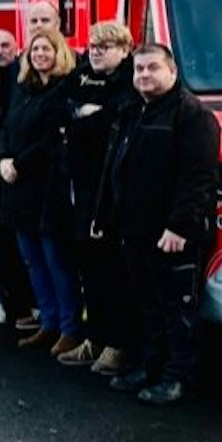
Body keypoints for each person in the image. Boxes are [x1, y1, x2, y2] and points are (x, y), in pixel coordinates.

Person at [100, 44, 221, 406]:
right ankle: (149, 366)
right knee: (147, 305)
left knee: (177, 309)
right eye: (139, 70)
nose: (144, 75)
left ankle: (177, 377)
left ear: (172, 71)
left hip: (173, 235)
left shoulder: (193, 116)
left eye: (153, 68)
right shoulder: (134, 110)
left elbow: (199, 178)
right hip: (135, 230)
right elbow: (116, 167)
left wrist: (180, 227)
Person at [56, 21, 138, 373]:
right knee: (87, 269)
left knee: (113, 272)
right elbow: (63, 113)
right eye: (92, 45)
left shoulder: (130, 81)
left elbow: (111, 119)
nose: (96, 51)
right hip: (79, 187)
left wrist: (86, 117)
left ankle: (117, 345)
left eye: (105, 46)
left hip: (111, 191)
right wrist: (83, 117)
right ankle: (95, 338)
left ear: (124, 49)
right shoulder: (79, 76)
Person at [0, 29, 81, 357]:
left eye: (47, 48)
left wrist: (18, 162)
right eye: (35, 49)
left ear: (58, 52)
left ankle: (70, 328)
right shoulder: (23, 88)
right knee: (32, 260)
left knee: (56, 260)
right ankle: (48, 321)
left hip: (48, 188)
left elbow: (51, 138)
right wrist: (3, 157)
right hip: (18, 189)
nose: (40, 54)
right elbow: (5, 126)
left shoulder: (64, 90)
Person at [0, 26, 29, 329]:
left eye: (4, 45)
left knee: (20, 240)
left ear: (15, 47)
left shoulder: (22, 80)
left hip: (17, 169)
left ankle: (24, 302)